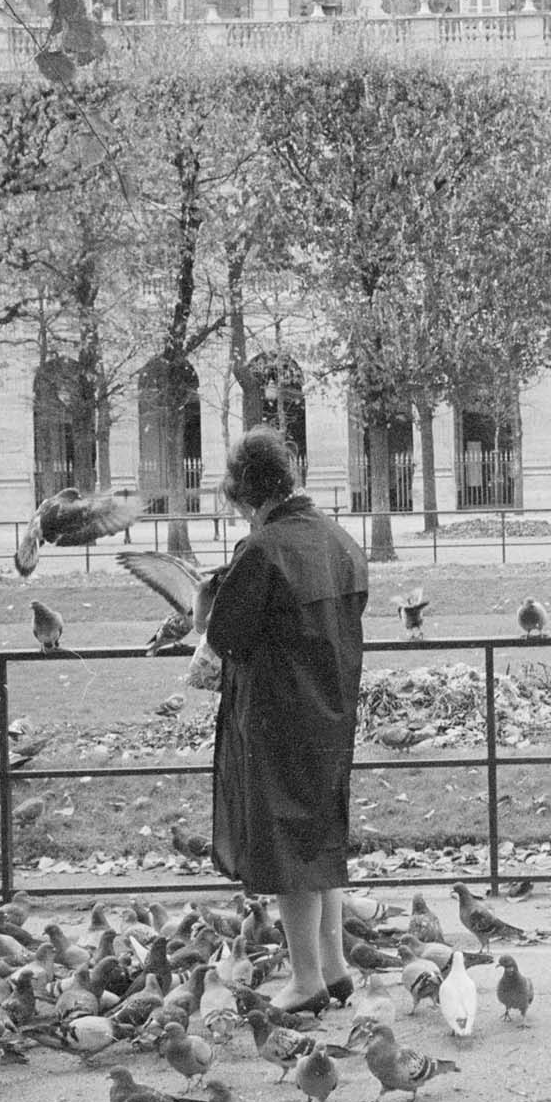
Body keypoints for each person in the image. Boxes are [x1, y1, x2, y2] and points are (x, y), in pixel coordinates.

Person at [203, 427, 369, 1013]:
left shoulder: (264, 549)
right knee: (322, 840)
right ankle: (334, 965)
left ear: (248, 493)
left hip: (278, 717)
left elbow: (226, 636)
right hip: (332, 712)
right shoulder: (341, 540)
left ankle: (305, 979)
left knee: (290, 849)